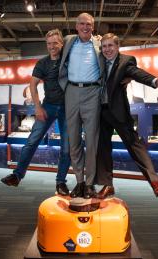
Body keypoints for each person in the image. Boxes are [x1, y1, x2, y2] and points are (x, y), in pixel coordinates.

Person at [94, 33, 158, 199]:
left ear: (118, 47)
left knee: (134, 145)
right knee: (102, 149)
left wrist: (154, 82)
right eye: (104, 46)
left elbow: (137, 73)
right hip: (100, 111)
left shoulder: (126, 61)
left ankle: (155, 182)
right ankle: (107, 185)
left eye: (111, 46)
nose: (107, 49)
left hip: (118, 111)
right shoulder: (99, 60)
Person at [1, 29, 71, 196]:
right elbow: (32, 85)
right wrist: (38, 107)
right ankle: (17, 175)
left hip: (68, 108)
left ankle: (61, 182)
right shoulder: (43, 63)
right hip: (48, 106)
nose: (52, 46)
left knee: (67, 148)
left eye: (55, 43)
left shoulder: (68, 60)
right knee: (32, 141)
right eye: (49, 44)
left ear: (61, 43)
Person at [59, 13, 104, 199]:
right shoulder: (69, 40)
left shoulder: (99, 43)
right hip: (71, 91)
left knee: (92, 140)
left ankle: (90, 183)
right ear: (76, 26)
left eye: (90, 24)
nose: (86, 27)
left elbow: (112, 57)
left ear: (93, 27)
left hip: (92, 92)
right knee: (74, 140)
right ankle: (79, 181)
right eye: (82, 24)